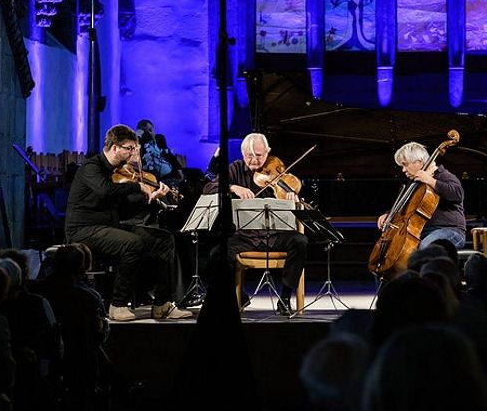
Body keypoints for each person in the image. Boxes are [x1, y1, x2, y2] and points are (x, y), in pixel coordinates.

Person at [63, 124, 192, 322]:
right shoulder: (92, 167)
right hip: (83, 230)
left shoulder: (116, 171)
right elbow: (105, 190)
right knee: (133, 243)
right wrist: (136, 185)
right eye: (130, 148)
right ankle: (118, 305)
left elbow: (124, 207)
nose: (134, 152)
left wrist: (151, 197)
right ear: (115, 148)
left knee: (164, 239)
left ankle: (162, 304)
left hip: (108, 226)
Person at [203, 132, 308, 316]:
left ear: (267, 153)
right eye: (249, 155)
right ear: (243, 154)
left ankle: (285, 297)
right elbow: (209, 187)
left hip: (275, 235)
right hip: (245, 236)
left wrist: (291, 199)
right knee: (218, 253)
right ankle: (237, 295)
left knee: (300, 242)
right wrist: (232, 187)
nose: (253, 160)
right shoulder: (235, 169)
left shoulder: (277, 172)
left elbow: (294, 202)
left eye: (258, 155)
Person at [376, 141, 466, 249]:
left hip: (449, 231)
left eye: (405, 164)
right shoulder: (415, 183)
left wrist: (431, 181)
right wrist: (389, 215)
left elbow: (458, 194)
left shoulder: (444, 176)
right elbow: (404, 209)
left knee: (426, 247)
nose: (403, 170)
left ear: (419, 162)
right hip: (421, 232)